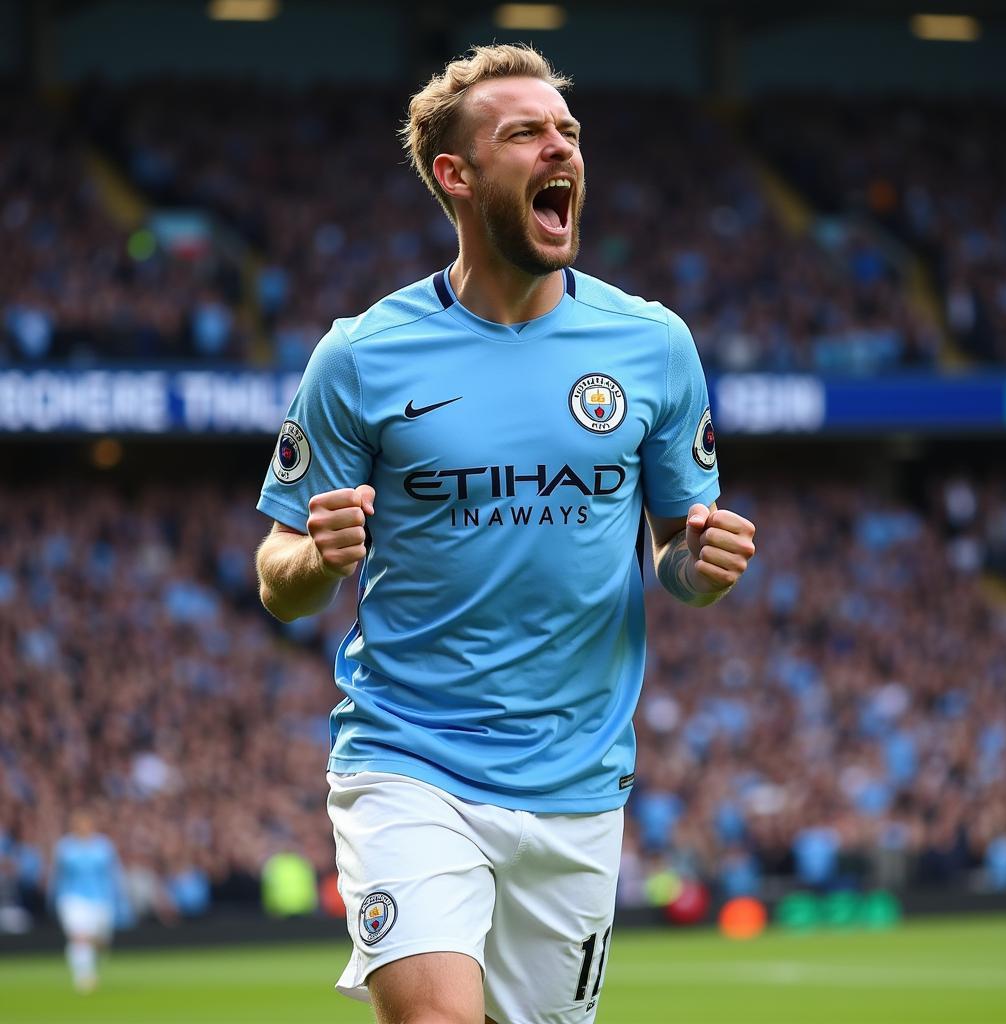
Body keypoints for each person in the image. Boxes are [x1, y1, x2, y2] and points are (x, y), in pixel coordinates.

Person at [255, 43, 756, 1024]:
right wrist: (314, 554)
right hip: (410, 757)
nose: (558, 145)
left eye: (567, 130)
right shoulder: (359, 356)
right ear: (456, 174)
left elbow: (673, 554)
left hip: (576, 782)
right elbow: (276, 576)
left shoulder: (653, 346)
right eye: (524, 132)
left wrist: (699, 566)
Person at [49, 810, 122, 993]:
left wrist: (119, 899)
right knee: (79, 936)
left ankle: (91, 963)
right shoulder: (65, 848)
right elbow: (57, 876)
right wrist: (53, 898)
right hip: (73, 899)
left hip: (100, 900)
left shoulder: (103, 846)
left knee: (99, 941)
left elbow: (114, 874)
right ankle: (84, 977)